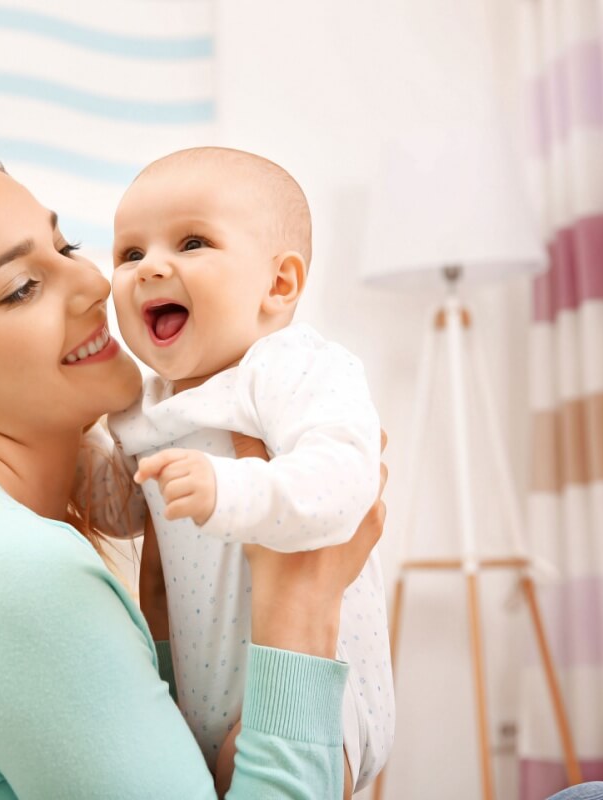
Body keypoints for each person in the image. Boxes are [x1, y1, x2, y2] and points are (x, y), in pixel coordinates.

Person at [0, 139, 603, 800]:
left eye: (63, 247)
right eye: (22, 286)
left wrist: (172, 641)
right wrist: (299, 603)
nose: (101, 282)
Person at [93, 147, 391, 798]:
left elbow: (344, 479)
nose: (151, 268)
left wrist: (232, 489)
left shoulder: (287, 367)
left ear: (278, 285)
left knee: (248, 761)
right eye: (129, 253)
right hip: (197, 690)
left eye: (192, 241)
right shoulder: (145, 404)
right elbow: (118, 512)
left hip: (317, 686)